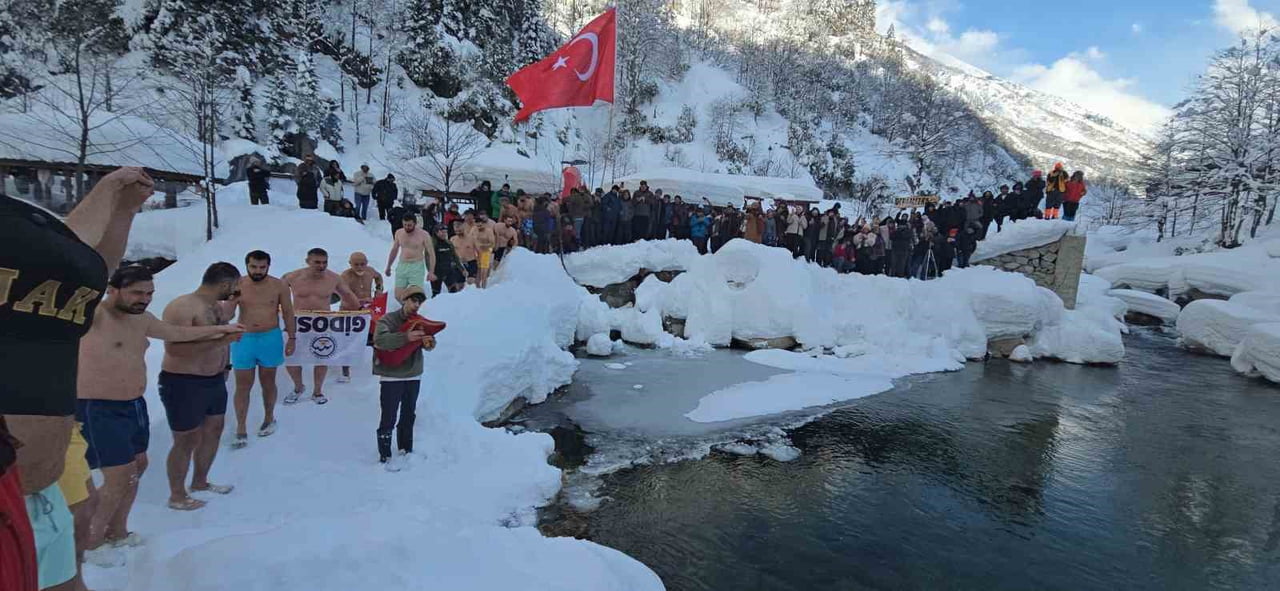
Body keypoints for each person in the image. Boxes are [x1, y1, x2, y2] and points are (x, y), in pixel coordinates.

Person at [2, 167, 153, 591]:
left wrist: (120, 204)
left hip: (46, 485)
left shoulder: (50, 264)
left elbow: (81, 265)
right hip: (14, 492)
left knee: (77, 530)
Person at [77, 266, 242, 562]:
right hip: (98, 406)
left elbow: (177, 333)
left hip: (133, 404)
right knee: (118, 476)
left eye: (149, 293)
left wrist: (221, 329)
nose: (144, 299)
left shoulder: (141, 319)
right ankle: (90, 542)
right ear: (112, 290)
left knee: (138, 466)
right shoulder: (95, 316)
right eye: (137, 292)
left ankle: (118, 532)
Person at [159, 263, 245, 512]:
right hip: (183, 381)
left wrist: (225, 365)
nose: (235, 291)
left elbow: (221, 339)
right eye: (235, 286)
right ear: (225, 284)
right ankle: (177, 495)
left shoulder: (216, 307)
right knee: (186, 439)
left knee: (213, 430)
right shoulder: (182, 307)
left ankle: (200, 481)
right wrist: (225, 339)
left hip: (215, 379)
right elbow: (175, 349)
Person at [229, 251, 295, 449]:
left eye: (262, 267)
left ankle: (269, 418)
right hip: (244, 338)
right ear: (247, 266)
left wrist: (292, 337)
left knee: (268, 381)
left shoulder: (279, 285)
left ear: (268, 266)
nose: (258, 271)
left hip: (270, 337)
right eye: (253, 267)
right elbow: (228, 312)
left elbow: (289, 312)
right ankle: (240, 428)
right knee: (243, 385)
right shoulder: (237, 284)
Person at [371, 286, 438, 470]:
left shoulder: (420, 321)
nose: (416, 305)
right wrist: (406, 337)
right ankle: (385, 456)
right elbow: (380, 340)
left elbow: (430, 343)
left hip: (413, 374)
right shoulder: (388, 319)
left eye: (419, 301)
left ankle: (406, 450)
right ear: (404, 300)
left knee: (409, 414)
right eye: (413, 300)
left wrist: (429, 342)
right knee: (389, 416)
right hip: (391, 376)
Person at [282, 249, 359, 405]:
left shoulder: (333, 278)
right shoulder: (292, 277)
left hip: (322, 323)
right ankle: (298, 387)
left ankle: (317, 391)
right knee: (291, 358)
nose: (321, 265)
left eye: (324, 262)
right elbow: (275, 294)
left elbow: (350, 297)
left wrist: (356, 312)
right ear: (307, 261)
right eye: (317, 262)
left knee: (322, 357)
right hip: (299, 322)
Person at [337, 252, 384, 384]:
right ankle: (345, 372)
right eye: (356, 264)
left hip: (366, 312)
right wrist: (360, 300)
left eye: (362, 264)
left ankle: (378, 366)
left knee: (376, 337)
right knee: (347, 341)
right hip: (349, 312)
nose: (359, 267)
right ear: (350, 263)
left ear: (367, 263)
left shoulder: (370, 271)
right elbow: (341, 293)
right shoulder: (345, 276)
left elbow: (379, 277)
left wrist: (379, 289)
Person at [384, 213, 437, 301]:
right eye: (405, 224)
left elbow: (431, 254)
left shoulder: (424, 234)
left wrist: (431, 271)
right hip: (402, 265)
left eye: (409, 225)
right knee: (398, 295)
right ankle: (407, 309)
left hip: (416, 266)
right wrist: (388, 266)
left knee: (415, 294)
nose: (407, 227)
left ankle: (415, 310)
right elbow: (394, 250)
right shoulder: (399, 233)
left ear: (415, 224)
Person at [430, 225, 467, 295]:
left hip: (448, 271)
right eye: (442, 232)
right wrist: (431, 272)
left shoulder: (448, 243)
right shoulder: (432, 244)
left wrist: (462, 269)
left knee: (453, 291)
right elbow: (428, 259)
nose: (444, 234)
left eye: (445, 232)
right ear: (436, 233)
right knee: (436, 294)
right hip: (437, 272)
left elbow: (455, 257)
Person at [469, 208, 499, 287]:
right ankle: (477, 285)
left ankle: (484, 286)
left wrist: (485, 246)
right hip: (476, 251)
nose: (479, 226)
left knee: (484, 269)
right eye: (477, 225)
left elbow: (492, 242)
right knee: (478, 269)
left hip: (486, 250)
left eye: (481, 225)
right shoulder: (473, 230)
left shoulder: (489, 230)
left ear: (484, 224)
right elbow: (470, 240)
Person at [450, 220, 478, 284]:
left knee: (471, 282)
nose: (458, 232)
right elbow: (451, 253)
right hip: (458, 264)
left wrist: (479, 264)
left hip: (471, 262)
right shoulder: (453, 239)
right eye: (456, 231)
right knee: (459, 285)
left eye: (459, 230)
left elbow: (479, 252)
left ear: (464, 227)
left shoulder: (472, 238)